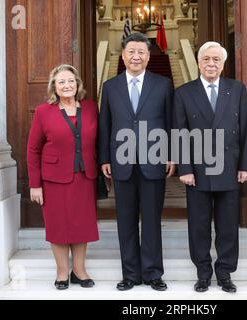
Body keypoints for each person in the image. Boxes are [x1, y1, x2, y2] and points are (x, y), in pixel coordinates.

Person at [173, 41, 247, 293]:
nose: (211, 64)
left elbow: (244, 131)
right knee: (198, 224)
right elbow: (179, 133)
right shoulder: (184, 92)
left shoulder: (237, 89)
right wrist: (184, 168)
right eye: (206, 59)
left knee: (227, 224)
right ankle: (203, 274)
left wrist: (246, 165)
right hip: (196, 171)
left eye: (216, 60)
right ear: (198, 62)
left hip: (229, 167)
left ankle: (225, 273)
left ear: (223, 63)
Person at [98, 33, 175, 291]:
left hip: (154, 162)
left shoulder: (163, 85)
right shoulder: (110, 87)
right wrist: (105, 158)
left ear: (148, 56)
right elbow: (105, 126)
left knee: (152, 220)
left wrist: (171, 154)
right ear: (123, 55)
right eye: (131, 52)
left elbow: (170, 122)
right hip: (121, 163)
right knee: (126, 221)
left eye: (141, 52)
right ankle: (130, 274)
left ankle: (153, 273)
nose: (136, 56)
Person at [27, 64, 99, 290]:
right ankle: (61, 273)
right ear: (54, 88)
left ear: (77, 84)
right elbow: (33, 150)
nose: (67, 85)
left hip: (84, 177)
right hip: (54, 180)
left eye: (71, 81)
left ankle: (79, 270)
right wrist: (35, 185)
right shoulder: (43, 112)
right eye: (61, 82)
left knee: (82, 225)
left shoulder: (90, 108)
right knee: (58, 226)